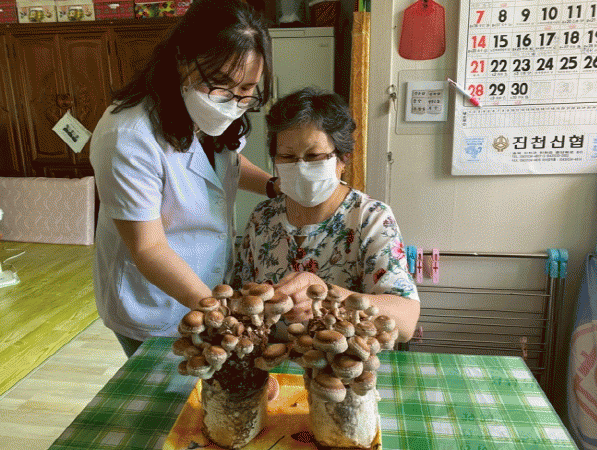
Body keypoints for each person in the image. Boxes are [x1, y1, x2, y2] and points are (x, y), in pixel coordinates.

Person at [90, 0, 279, 357]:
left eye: (247, 89)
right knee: (171, 388)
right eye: (219, 83)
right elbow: (148, 248)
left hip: (207, 279)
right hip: (153, 303)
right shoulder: (128, 136)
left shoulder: (213, 111)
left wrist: (273, 186)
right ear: (182, 59)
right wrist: (216, 312)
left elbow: (222, 164)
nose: (233, 101)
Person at [232, 87, 420, 344]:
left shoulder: (370, 218)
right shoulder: (263, 218)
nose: (300, 167)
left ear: (343, 158)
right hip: (274, 362)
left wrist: (327, 296)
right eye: (287, 156)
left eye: (314, 156)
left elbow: (406, 321)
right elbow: (240, 299)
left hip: (345, 362)